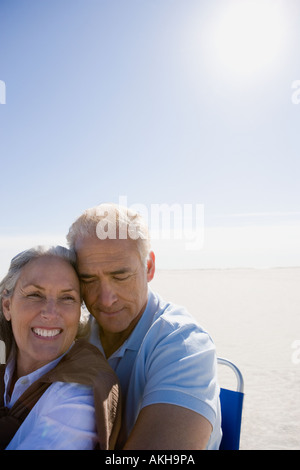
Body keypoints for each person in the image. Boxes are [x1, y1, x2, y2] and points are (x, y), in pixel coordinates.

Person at [67, 203, 222, 450]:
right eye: (88, 279)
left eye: (120, 277)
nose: (106, 299)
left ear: (148, 267)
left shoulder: (183, 344)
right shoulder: (74, 333)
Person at [0, 245, 121, 450]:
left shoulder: (79, 394)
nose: (50, 312)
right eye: (35, 295)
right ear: (7, 306)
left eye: (67, 298)